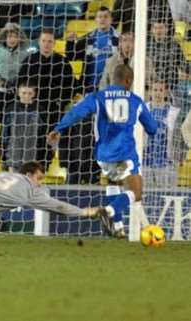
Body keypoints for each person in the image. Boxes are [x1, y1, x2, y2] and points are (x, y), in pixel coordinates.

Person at [47, 64, 158, 238]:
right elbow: (152, 128)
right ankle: (109, 210)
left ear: (113, 79)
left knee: (114, 184)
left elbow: (76, 112)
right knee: (136, 193)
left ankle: (118, 228)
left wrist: (59, 129)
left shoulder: (98, 97)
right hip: (124, 153)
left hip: (103, 154)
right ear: (128, 80)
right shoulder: (135, 100)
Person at [0, 22, 29, 123]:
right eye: (9, 36)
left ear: (20, 38)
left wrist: (20, 83)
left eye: (15, 36)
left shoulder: (25, 54)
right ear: (4, 37)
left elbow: (29, 72)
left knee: (15, 122)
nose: (12, 39)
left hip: (18, 93)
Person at [66, 6, 119, 94]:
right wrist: (70, 43)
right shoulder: (87, 39)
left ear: (111, 20)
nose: (103, 19)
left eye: (106, 16)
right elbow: (72, 57)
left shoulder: (119, 39)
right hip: (90, 89)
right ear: (96, 20)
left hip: (112, 89)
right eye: (100, 16)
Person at [143, 79, 180, 186]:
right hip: (146, 162)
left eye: (160, 90)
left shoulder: (173, 112)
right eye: (155, 90)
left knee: (166, 194)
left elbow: (177, 137)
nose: (157, 93)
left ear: (165, 93)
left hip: (166, 163)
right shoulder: (143, 109)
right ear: (150, 92)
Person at [3, 83, 44, 171]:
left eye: (29, 93)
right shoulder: (11, 108)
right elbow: (5, 131)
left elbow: (43, 133)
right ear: (18, 93)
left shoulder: (40, 110)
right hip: (13, 152)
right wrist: (3, 150)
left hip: (33, 154)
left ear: (34, 94)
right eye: (24, 93)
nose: (26, 96)